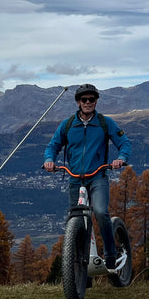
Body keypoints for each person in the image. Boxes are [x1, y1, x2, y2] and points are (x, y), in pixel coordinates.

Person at [44, 83, 130, 271]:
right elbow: (53, 146)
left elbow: (124, 143)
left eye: (92, 99)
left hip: (97, 176)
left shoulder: (104, 123)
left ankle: (110, 254)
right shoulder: (67, 125)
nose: (88, 102)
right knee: (76, 220)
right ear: (78, 102)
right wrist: (49, 160)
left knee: (99, 211)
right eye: (84, 99)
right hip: (75, 178)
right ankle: (81, 268)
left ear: (96, 101)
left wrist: (121, 159)